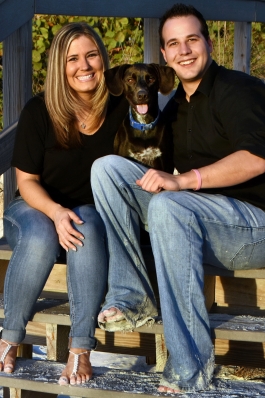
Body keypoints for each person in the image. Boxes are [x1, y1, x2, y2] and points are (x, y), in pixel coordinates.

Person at [91, 3, 265, 394]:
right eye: (174, 44)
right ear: (166, 57)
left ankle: (190, 367)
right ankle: (133, 297)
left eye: (192, 39)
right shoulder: (175, 109)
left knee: (171, 202)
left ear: (207, 43)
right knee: (106, 169)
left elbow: (256, 157)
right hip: (195, 224)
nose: (184, 50)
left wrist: (185, 180)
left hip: (253, 226)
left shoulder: (240, 90)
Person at [0, 22, 128, 385]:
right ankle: (9, 338)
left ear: (103, 59)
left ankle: (80, 348)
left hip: (90, 211)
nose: (84, 66)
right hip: (35, 207)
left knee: (84, 227)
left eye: (91, 55)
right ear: (60, 65)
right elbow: (26, 181)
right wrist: (55, 212)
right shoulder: (40, 110)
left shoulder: (120, 107)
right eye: (73, 58)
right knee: (41, 235)